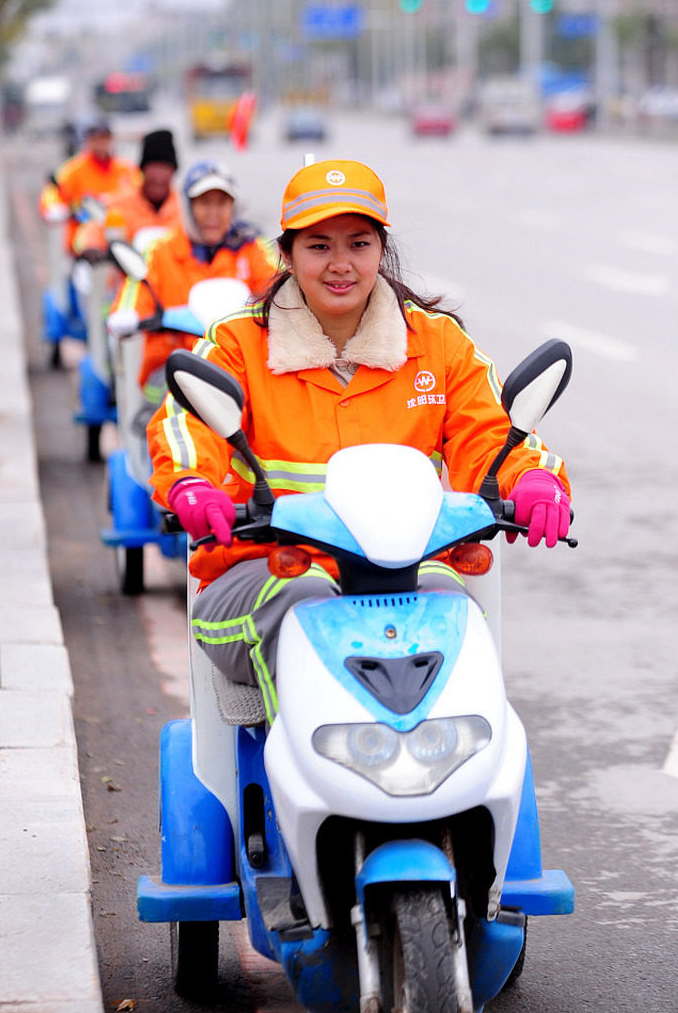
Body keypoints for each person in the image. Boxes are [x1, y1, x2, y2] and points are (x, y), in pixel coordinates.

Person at [147, 158, 572, 722]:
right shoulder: (237, 342)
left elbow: (492, 430)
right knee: (308, 609)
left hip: (412, 569)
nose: (340, 264)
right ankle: (289, 764)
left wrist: (534, 479)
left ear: (381, 250)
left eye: (359, 244)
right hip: (269, 569)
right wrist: (191, 485)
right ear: (287, 254)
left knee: (452, 616)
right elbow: (185, 423)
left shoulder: (437, 343)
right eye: (319, 246)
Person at [107, 160, 280, 403]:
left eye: (222, 203)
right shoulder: (159, 251)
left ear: (232, 207)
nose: (213, 213)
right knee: (167, 403)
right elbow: (136, 291)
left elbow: (279, 285)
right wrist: (128, 314)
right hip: (171, 365)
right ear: (188, 207)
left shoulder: (252, 247)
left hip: (238, 364)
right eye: (204, 203)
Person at [38, 118, 139, 258]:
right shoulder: (72, 170)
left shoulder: (126, 168)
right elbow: (52, 193)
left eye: (105, 138)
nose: (102, 143)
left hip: (122, 246)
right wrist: (60, 210)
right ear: (88, 141)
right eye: (97, 139)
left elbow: (141, 194)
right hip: (84, 248)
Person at [73, 128, 182, 258]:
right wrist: (91, 246)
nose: (158, 177)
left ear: (173, 172)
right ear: (142, 170)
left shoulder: (184, 206)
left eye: (165, 169)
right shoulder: (119, 204)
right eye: (153, 168)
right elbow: (93, 228)